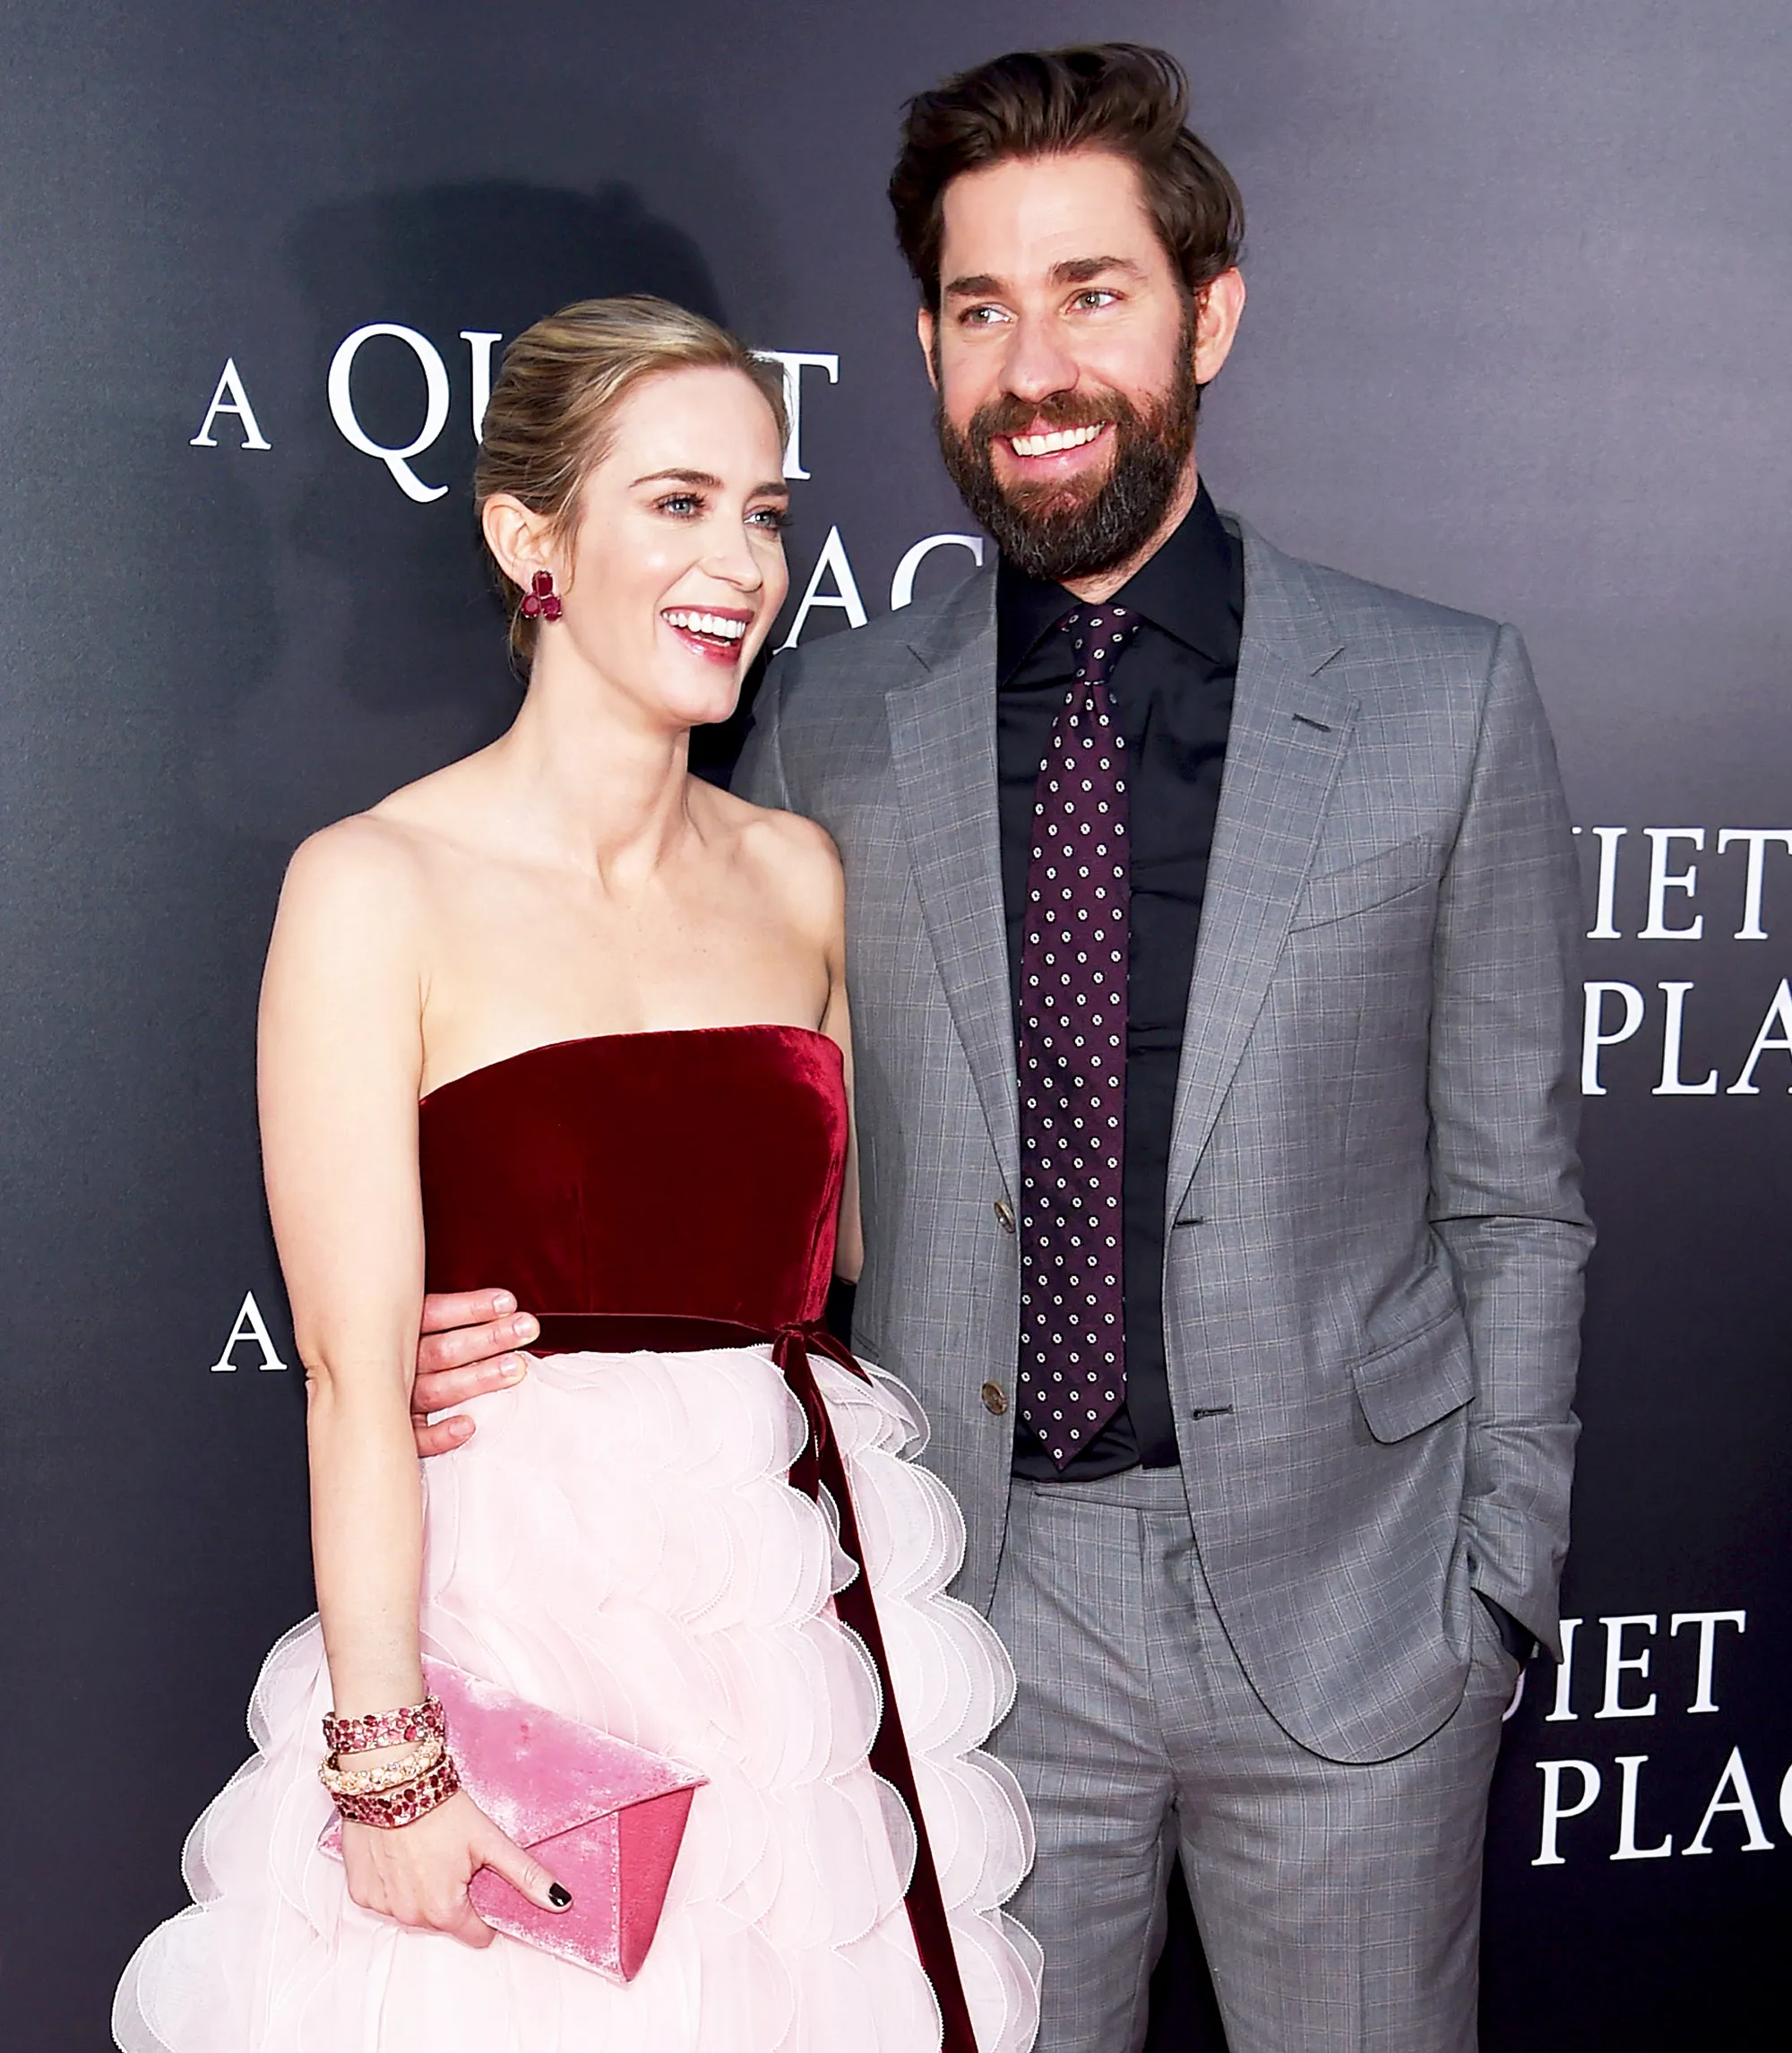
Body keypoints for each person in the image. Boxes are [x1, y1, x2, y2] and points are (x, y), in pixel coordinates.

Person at [409, 42, 1593, 2053]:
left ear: (1208, 313)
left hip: (1356, 1626)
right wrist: (517, 1316)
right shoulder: (824, 727)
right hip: (964, 1620)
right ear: (931, 346)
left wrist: (1492, 1593)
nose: (1032, 365)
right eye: (979, 307)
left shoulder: (1441, 701)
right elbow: (717, 1136)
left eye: (1092, 293)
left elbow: (1514, 1203)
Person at [114, 296, 1039, 2053]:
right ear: (528, 539)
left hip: (784, 1604)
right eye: (676, 502)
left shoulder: (801, 878)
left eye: (764, 511)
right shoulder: (374, 882)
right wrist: (389, 1764)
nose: (741, 560)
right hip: (509, 1603)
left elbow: (825, 1259)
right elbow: (347, 1371)